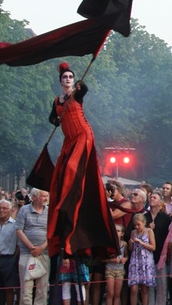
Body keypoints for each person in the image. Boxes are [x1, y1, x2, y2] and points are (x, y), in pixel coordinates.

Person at [47, 62, 119, 266]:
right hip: (69, 139)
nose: (68, 80)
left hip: (82, 135)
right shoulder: (57, 100)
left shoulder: (76, 94)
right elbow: (52, 117)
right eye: (65, 78)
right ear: (60, 81)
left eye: (70, 77)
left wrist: (81, 84)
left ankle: (69, 198)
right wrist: (56, 121)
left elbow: (84, 89)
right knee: (62, 170)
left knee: (71, 168)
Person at [15, 188, 49, 305]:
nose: (46, 198)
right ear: (34, 197)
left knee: (42, 286)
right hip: (26, 253)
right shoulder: (24, 210)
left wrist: (41, 248)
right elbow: (18, 230)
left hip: (44, 253)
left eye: (47, 196)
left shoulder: (49, 211)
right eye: (43, 196)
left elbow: (52, 232)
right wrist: (31, 247)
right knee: (26, 286)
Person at [126, 213, 156, 305]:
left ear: (144, 223)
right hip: (135, 260)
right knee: (133, 288)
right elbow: (130, 249)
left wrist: (142, 243)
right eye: (135, 225)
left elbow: (153, 247)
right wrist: (130, 244)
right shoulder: (133, 233)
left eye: (138, 224)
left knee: (144, 288)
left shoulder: (149, 231)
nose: (136, 227)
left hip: (145, 261)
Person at [105, 224, 128, 305]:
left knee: (117, 293)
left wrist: (124, 259)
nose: (116, 233)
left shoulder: (124, 244)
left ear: (122, 233)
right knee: (110, 293)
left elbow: (127, 255)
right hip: (110, 269)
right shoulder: (109, 244)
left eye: (118, 231)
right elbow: (103, 259)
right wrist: (112, 260)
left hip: (120, 270)